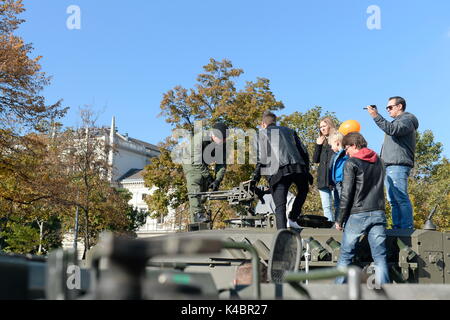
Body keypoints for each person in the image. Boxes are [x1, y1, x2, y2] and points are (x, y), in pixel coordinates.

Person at [335, 132, 390, 286]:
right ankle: (385, 294)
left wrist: (339, 220)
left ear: (354, 145)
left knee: (345, 256)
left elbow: (346, 194)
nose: (346, 152)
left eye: (347, 148)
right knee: (380, 257)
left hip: (358, 214)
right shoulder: (379, 160)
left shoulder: (351, 163)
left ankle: (335, 292)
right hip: (378, 212)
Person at [250, 111, 312, 230]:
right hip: (297, 167)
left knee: (280, 206)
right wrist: (306, 170)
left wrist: (255, 178)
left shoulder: (260, 135)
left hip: (277, 171)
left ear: (263, 124)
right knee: (303, 190)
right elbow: (304, 152)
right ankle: (293, 217)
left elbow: (261, 159)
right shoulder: (289, 131)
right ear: (275, 122)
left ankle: (282, 234)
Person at [366, 97, 419, 229]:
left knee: (400, 198)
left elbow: (392, 130)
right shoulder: (398, 122)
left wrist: (376, 116)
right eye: (387, 108)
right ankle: (398, 227)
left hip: (398, 165)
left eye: (390, 107)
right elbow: (391, 128)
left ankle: (406, 228)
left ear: (399, 106)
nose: (388, 110)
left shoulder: (407, 120)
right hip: (390, 166)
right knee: (393, 200)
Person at [183, 122, 228, 224]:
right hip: (191, 162)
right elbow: (196, 162)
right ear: (214, 135)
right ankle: (198, 214)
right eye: (222, 139)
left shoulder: (222, 144)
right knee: (196, 184)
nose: (224, 141)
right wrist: (209, 177)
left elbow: (221, 164)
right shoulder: (200, 138)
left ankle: (198, 216)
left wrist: (217, 180)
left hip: (203, 164)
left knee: (203, 194)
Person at [313, 117, 338, 222]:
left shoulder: (337, 138)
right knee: (326, 207)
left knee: (338, 204)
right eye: (320, 127)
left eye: (324, 126)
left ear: (330, 125)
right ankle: (330, 228)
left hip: (334, 178)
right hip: (322, 179)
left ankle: (340, 226)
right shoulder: (321, 142)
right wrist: (318, 145)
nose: (322, 129)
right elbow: (315, 160)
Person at [328, 132, 349, 221]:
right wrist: (331, 182)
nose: (331, 147)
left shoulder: (345, 154)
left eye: (331, 145)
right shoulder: (335, 156)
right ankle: (338, 221)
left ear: (337, 143)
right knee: (337, 204)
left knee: (342, 202)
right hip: (336, 183)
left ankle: (344, 221)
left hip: (342, 181)